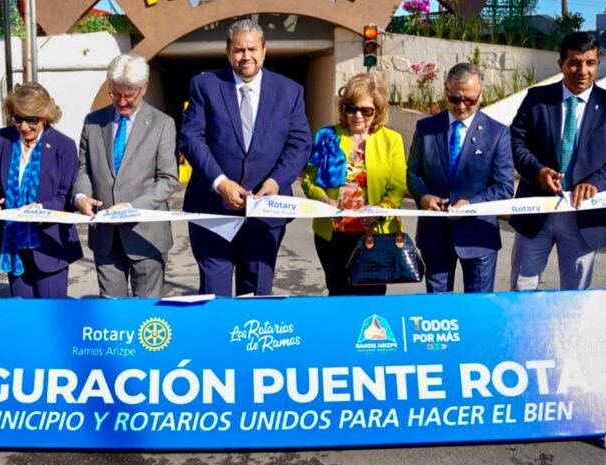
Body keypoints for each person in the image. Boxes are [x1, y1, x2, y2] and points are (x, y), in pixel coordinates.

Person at [179, 19, 312, 296]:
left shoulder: (290, 91)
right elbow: (191, 139)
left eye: (252, 49)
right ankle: (218, 341)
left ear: (264, 51)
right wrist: (220, 182)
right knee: (215, 295)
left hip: (265, 214)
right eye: (239, 50)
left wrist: (276, 182)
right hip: (212, 210)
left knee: (258, 294)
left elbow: (299, 143)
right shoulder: (204, 86)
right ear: (229, 52)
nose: (246, 56)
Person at [509, 31, 606, 290]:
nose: (583, 70)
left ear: (598, 64)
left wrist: (597, 182)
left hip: (585, 217)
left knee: (575, 297)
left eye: (590, 63)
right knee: (521, 290)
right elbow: (514, 142)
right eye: (574, 62)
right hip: (537, 212)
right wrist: (536, 171)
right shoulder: (537, 99)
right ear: (561, 64)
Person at [73, 55, 179, 297]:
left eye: (128, 95)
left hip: (146, 235)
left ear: (144, 89)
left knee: (145, 314)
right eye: (115, 93)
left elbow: (168, 179)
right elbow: (83, 169)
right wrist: (81, 196)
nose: (121, 101)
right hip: (105, 237)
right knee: (112, 312)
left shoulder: (162, 124)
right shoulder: (93, 122)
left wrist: (133, 207)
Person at [407, 63, 515, 293]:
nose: (462, 106)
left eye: (470, 100)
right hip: (435, 235)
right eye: (455, 99)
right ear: (446, 91)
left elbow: (505, 187)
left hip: (478, 237)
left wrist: (471, 204)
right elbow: (413, 173)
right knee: (438, 311)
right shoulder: (426, 128)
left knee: (477, 311)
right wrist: (424, 197)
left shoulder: (497, 133)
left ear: (481, 95)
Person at [301, 73, 406, 296]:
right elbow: (309, 179)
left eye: (366, 110)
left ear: (378, 110)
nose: (357, 116)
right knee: (338, 292)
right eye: (351, 108)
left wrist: (379, 211)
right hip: (333, 232)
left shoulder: (392, 140)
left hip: (374, 234)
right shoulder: (327, 135)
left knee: (371, 296)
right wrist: (324, 200)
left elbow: (396, 189)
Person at [0, 83, 82, 298]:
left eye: (31, 119)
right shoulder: (3, 138)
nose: (24, 126)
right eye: (17, 118)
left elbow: (66, 197)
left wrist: (41, 209)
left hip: (50, 247)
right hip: (13, 243)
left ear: (46, 116)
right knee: (23, 315)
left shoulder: (64, 146)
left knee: (51, 315)